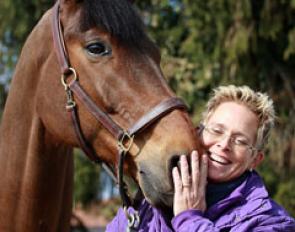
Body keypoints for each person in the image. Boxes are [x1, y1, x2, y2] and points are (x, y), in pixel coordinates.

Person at [106, 85, 295, 231]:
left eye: (240, 141)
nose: (224, 144)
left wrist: (190, 219)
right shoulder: (146, 202)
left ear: (255, 159)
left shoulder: (272, 222)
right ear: (197, 132)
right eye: (217, 130)